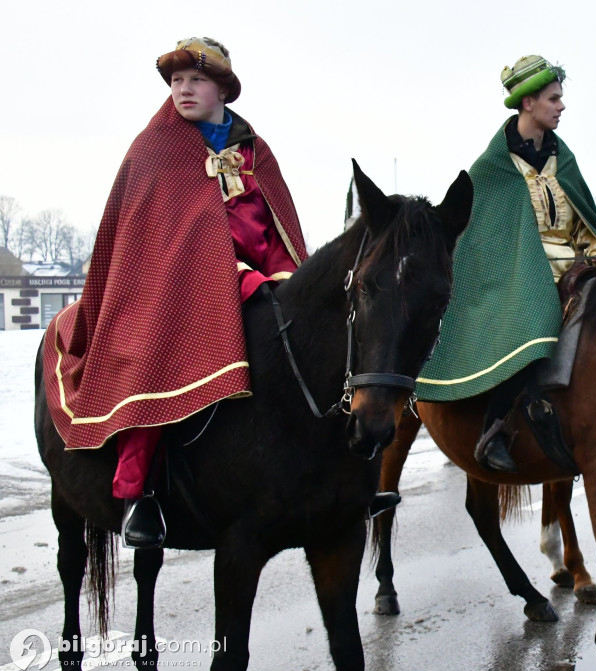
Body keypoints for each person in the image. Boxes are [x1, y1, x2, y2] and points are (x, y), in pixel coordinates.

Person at [41, 37, 396, 550]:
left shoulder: (253, 148)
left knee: (334, 339)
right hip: (174, 284)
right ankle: (136, 493)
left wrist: (291, 281)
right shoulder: (155, 147)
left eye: (196, 80)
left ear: (222, 89)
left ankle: (352, 479)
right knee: (154, 355)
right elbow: (153, 238)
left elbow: (273, 229)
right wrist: (221, 269)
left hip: (256, 278)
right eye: (176, 81)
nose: (183, 90)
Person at [415, 55, 596, 473]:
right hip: (516, 271)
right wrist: (527, 268)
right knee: (537, 315)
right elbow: (483, 239)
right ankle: (494, 428)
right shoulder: (492, 168)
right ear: (528, 103)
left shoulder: (565, 160)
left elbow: (584, 221)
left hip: (574, 266)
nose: (561, 106)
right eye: (553, 98)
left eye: (561, 98)